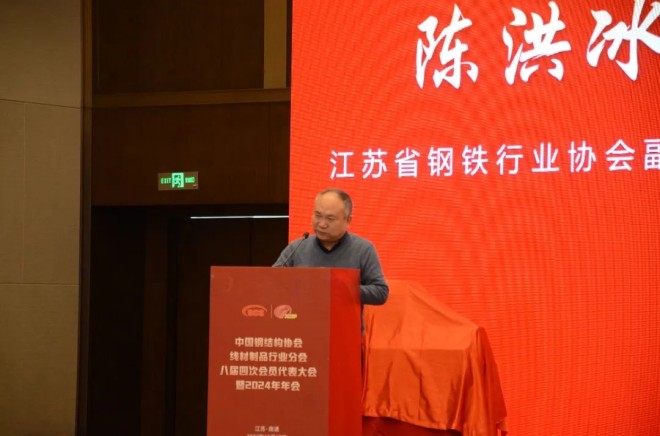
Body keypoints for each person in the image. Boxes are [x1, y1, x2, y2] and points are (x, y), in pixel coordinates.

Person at [273, 188, 389, 306]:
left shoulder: (363, 249)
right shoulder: (297, 247)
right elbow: (272, 282)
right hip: (303, 316)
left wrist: (344, 289)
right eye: (318, 215)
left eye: (330, 218)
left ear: (348, 220)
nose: (322, 224)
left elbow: (381, 292)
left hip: (344, 316)